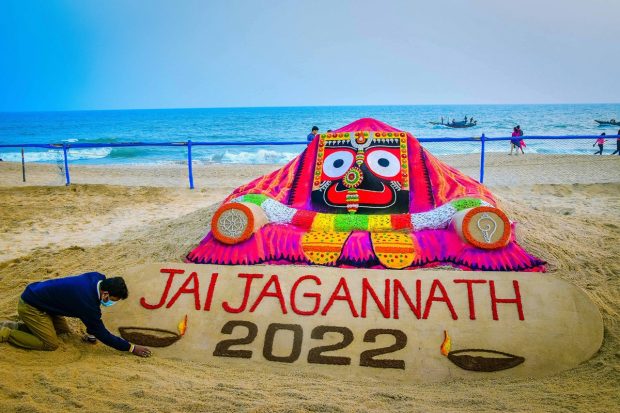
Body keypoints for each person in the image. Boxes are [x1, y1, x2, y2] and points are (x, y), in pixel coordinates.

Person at [0, 272, 152, 357]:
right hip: (31, 305)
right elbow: (102, 333)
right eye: (113, 300)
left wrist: (92, 332)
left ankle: (16, 326)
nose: (112, 302)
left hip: (45, 301)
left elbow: (92, 321)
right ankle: (5, 333)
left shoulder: (98, 277)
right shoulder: (87, 303)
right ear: (105, 293)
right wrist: (131, 348)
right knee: (50, 344)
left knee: (62, 331)